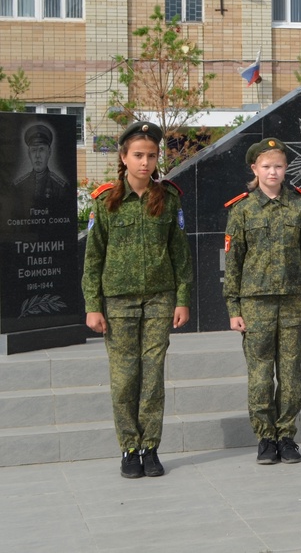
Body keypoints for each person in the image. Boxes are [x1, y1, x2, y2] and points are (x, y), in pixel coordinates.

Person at [82, 121, 192, 479]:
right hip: (118, 303)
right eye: (138, 155)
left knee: (153, 377)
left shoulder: (169, 198)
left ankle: (151, 447)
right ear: (124, 157)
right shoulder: (106, 200)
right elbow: (93, 257)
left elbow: (180, 254)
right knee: (125, 378)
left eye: (152, 156)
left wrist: (182, 299)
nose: (145, 162)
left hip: (160, 300)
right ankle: (129, 447)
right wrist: (92, 305)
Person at [223, 137, 301, 465]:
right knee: (261, 374)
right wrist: (233, 309)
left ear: (286, 168)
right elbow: (234, 262)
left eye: (278, 166)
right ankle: (265, 437)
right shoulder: (241, 209)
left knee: (291, 373)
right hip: (255, 304)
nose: (273, 172)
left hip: (294, 302)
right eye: (266, 166)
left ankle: (287, 436)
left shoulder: (300, 206)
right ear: (255, 168)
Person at [12, 122, 69, 211]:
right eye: (34, 150)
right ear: (29, 153)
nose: (37, 155)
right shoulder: (19, 185)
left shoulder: (60, 186)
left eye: (41, 149)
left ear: (49, 152)